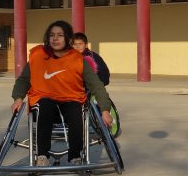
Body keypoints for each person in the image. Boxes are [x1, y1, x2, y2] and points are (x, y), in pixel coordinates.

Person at [11, 20, 113, 167]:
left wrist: (104, 109)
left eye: (60, 35)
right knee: (44, 106)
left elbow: (97, 86)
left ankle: (75, 156)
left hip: (70, 100)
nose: (55, 38)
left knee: (75, 109)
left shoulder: (78, 59)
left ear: (68, 39)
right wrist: (18, 98)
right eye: (52, 35)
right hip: (44, 100)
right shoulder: (37, 55)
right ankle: (42, 155)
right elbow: (23, 80)